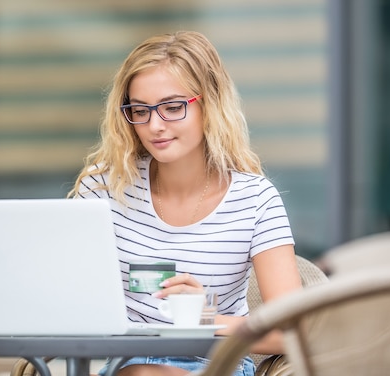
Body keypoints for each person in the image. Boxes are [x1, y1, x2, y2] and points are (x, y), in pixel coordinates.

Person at [67, 30, 303, 376]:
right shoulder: (104, 187)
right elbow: (70, 298)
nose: (155, 125)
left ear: (209, 104)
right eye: (140, 110)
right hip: (125, 366)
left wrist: (201, 316)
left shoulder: (255, 200)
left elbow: (290, 332)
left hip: (218, 365)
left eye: (173, 107)